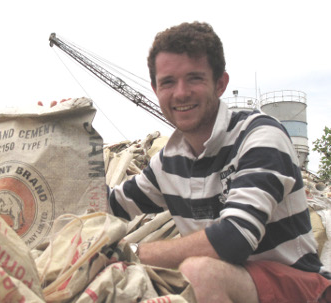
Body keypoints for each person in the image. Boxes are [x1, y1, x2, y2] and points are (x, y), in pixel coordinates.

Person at [109, 22, 331, 303]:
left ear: (221, 84)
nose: (180, 93)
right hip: (228, 288)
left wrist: (131, 253)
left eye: (194, 78)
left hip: (298, 289)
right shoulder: (168, 163)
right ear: (155, 89)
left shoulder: (260, 137)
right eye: (168, 82)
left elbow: (234, 239)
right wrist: (66, 132)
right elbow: (108, 204)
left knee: (198, 271)